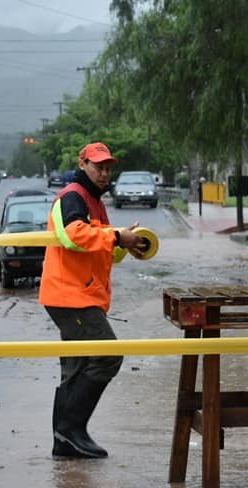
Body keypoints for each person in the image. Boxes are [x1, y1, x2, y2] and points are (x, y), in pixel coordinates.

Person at [38, 142, 148, 459]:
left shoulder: (95, 201)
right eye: (98, 166)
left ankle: (66, 439)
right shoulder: (72, 196)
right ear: (83, 163)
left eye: (108, 167)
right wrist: (116, 236)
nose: (104, 172)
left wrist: (124, 244)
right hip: (70, 296)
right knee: (108, 356)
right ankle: (71, 431)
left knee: (75, 367)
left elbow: (95, 247)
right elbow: (73, 234)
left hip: (79, 294)